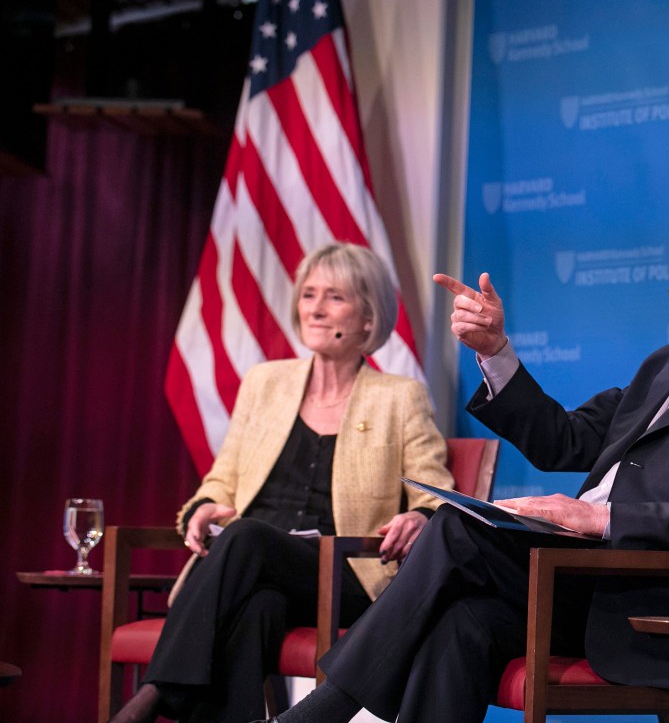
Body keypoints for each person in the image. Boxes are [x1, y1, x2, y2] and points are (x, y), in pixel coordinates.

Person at [260, 181, 669, 723]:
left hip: (668, 604)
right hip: (587, 584)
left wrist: (601, 518)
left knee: (457, 532)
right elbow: (561, 440)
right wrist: (496, 352)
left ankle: (321, 711)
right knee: (463, 623)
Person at [110, 242, 455, 723]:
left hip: (343, 575)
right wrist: (203, 507)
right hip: (256, 572)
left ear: (369, 317)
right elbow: (222, 479)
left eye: (334, 297)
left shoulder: (398, 398)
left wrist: (419, 515)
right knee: (257, 611)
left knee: (246, 535)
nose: (314, 308)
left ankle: (151, 697)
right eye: (308, 294)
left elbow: (434, 496)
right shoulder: (264, 383)